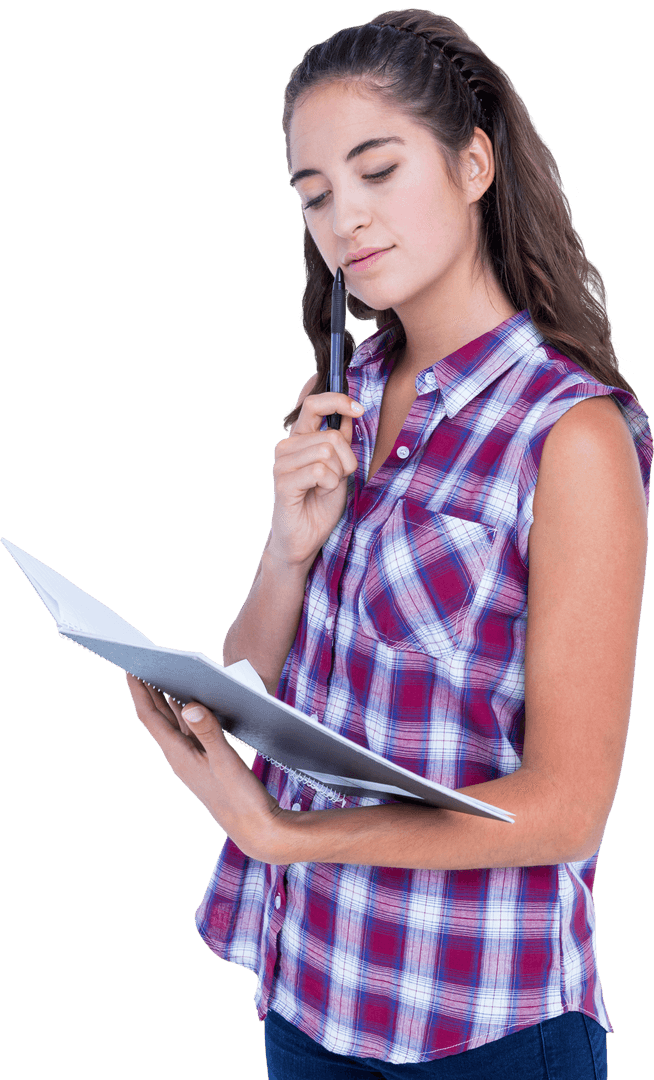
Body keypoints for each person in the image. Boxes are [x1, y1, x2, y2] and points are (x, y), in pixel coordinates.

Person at [126, 9, 652, 1078]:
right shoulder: (346, 398)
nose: (344, 220)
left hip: (481, 1023)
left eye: (375, 171)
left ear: (473, 164)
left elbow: (568, 806)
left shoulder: (573, 436)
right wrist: (286, 550)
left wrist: (284, 836)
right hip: (313, 987)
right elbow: (256, 681)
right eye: (315, 196)